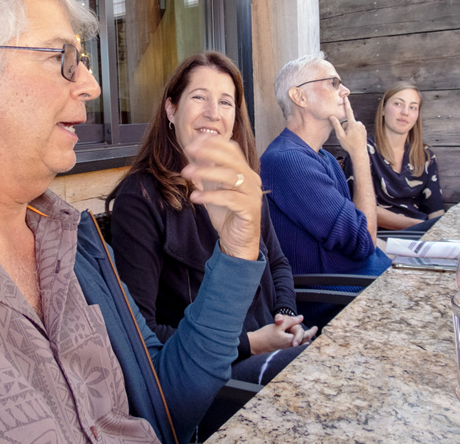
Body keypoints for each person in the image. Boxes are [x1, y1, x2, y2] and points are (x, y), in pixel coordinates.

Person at [0, 0, 266, 444]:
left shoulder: (72, 240)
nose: (92, 86)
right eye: (64, 60)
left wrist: (237, 248)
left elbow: (165, 403)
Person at [107, 51, 317, 386]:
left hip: (274, 348)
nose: (213, 113)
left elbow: (276, 263)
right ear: (171, 109)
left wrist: (286, 317)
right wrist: (251, 343)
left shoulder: (240, 182)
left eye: (225, 102)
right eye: (199, 97)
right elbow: (141, 331)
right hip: (214, 380)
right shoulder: (141, 199)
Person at [259, 53, 391, 327]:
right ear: (299, 97)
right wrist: (360, 154)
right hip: (338, 299)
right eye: (333, 82)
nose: (345, 91)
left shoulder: (325, 158)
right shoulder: (287, 161)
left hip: (370, 282)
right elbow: (364, 240)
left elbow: (362, 234)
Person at [344, 81, 444, 232]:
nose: (405, 112)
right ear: (383, 109)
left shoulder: (425, 156)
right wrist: (420, 227)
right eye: (398, 104)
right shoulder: (361, 149)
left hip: (419, 238)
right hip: (376, 237)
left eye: (413, 107)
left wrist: (440, 232)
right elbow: (360, 207)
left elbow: (435, 211)